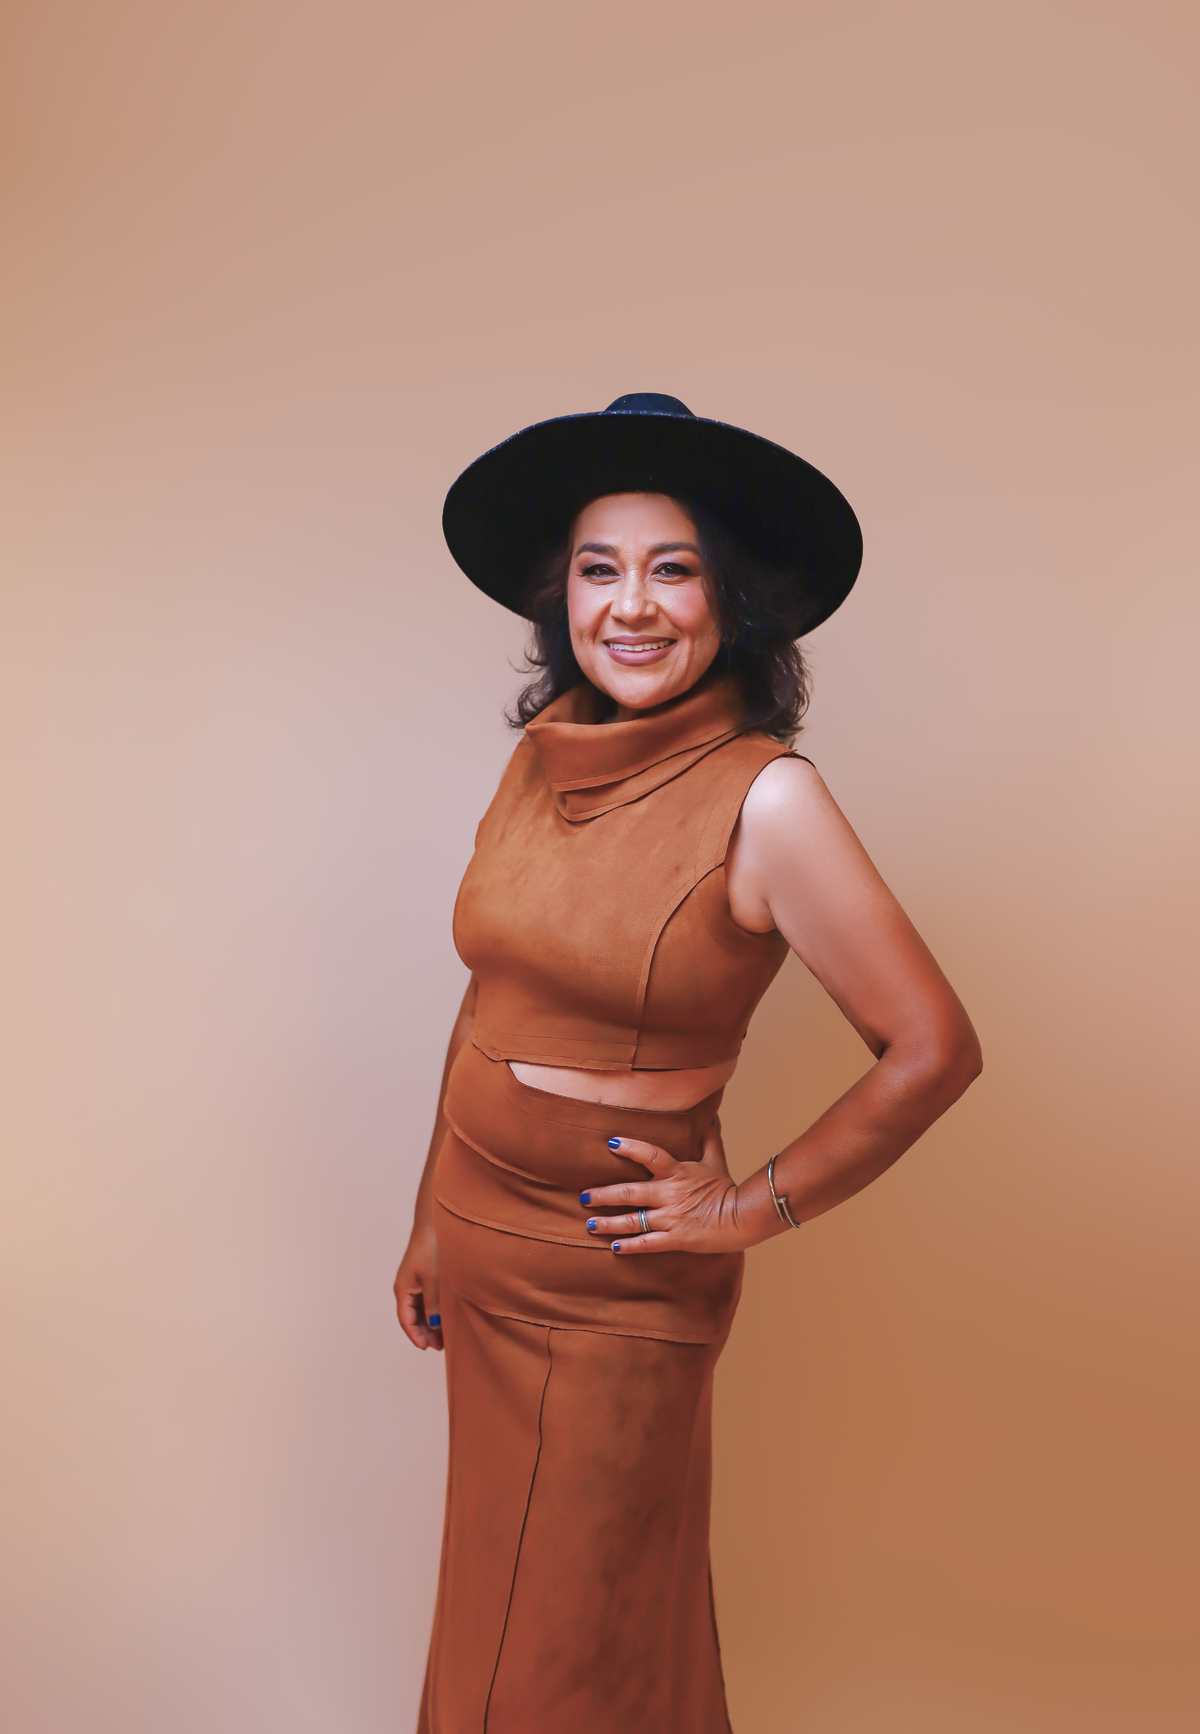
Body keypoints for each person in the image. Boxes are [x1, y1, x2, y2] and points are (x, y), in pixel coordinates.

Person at [394, 394, 982, 1734]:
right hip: (481, 1244)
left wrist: (744, 1208)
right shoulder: (542, 760)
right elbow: (490, 998)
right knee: (503, 1617)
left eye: (674, 569)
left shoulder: (768, 797)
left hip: (616, 1281)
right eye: (599, 569)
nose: (632, 606)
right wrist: (428, 1214)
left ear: (732, 597)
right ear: (562, 599)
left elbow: (933, 1048)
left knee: (565, 1651)